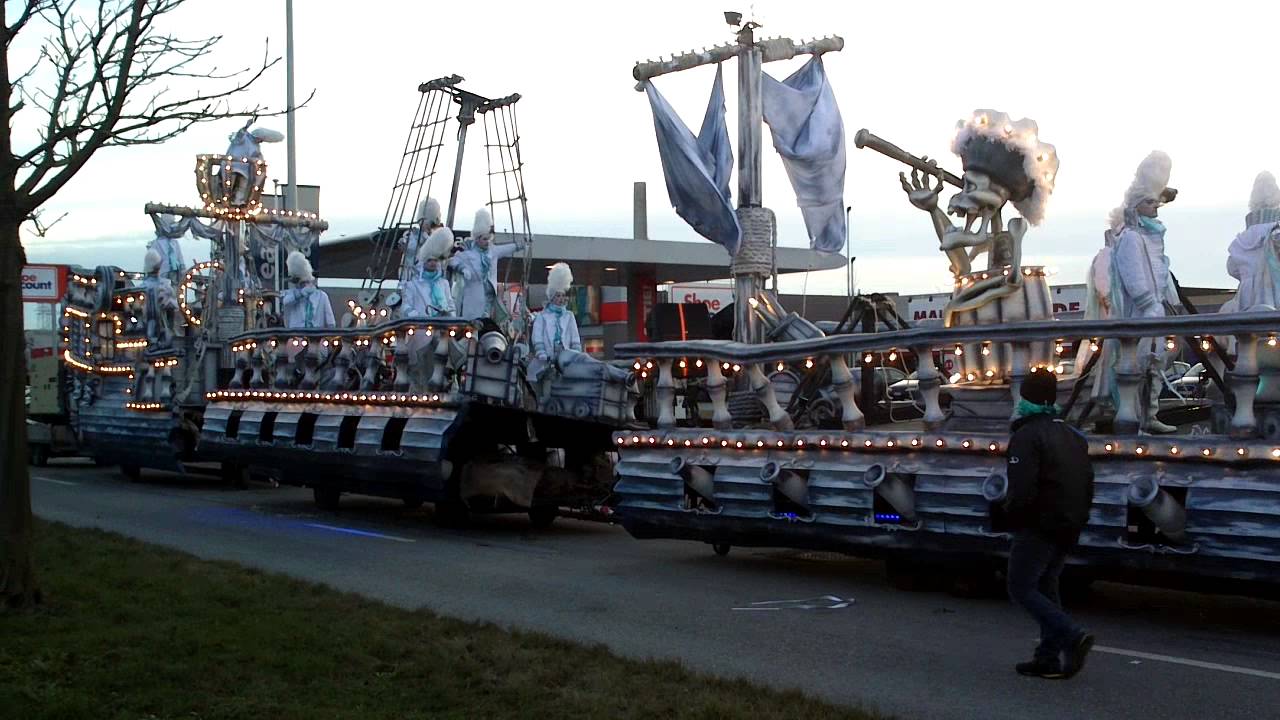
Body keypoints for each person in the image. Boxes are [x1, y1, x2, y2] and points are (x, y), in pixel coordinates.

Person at [1004, 368, 1095, 679]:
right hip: (1069, 522)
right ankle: (1047, 656)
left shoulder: (1026, 435)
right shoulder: (1072, 435)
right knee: (1046, 584)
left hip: (1039, 523)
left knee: (1020, 586)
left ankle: (1071, 634)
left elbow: (1022, 488)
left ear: (1024, 397)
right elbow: (1087, 481)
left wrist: (1010, 514)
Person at [1110, 151, 1180, 433]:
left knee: (1156, 363)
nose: (1155, 208)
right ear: (1138, 206)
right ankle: (1135, 418)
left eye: (1156, 202)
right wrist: (1148, 303)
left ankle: (1150, 415)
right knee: (1137, 365)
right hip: (1141, 313)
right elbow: (1134, 276)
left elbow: (1161, 275)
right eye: (1150, 202)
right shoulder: (1130, 238)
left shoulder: (1150, 238)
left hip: (1156, 311)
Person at [450, 207, 525, 321]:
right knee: (472, 323)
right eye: (485, 239)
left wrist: (522, 244)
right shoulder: (468, 253)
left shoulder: (492, 251)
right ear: (477, 238)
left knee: (488, 324)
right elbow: (453, 261)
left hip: (490, 298)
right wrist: (463, 269)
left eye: (489, 239)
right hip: (473, 297)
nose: (487, 242)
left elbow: (507, 248)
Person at [528, 262, 582, 383]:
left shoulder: (569, 316)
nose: (561, 299)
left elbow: (574, 337)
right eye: (558, 296)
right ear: (552, 297)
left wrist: (576, 354)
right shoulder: (542, 316)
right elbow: (537, 337)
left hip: (565, 359)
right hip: (546, 360)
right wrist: (541, 352)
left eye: (563, 296)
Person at [400, 226, 456, 318]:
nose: (433, 263)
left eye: (435, 260)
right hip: (420, 327)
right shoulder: (412, 284)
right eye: (429, 260)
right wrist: (414, 315)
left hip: (441, 327)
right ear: (423, 262)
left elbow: (451, 305)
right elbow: (405, 306)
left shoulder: (444, 283)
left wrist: (450, 315)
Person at [281, 251, 336, 329]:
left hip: (316, 338)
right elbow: (286, 302)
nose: (303, 285)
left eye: (306, 282)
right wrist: (300, 294)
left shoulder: (322, 296)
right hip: (296, 337)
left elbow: (331, 323)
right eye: (300, 283)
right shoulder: (292, 294)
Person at [399, 197, 443, 285]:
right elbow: (406, 246)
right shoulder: (412, 235)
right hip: (412, 280)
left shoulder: (437, 237)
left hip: (431, 281)